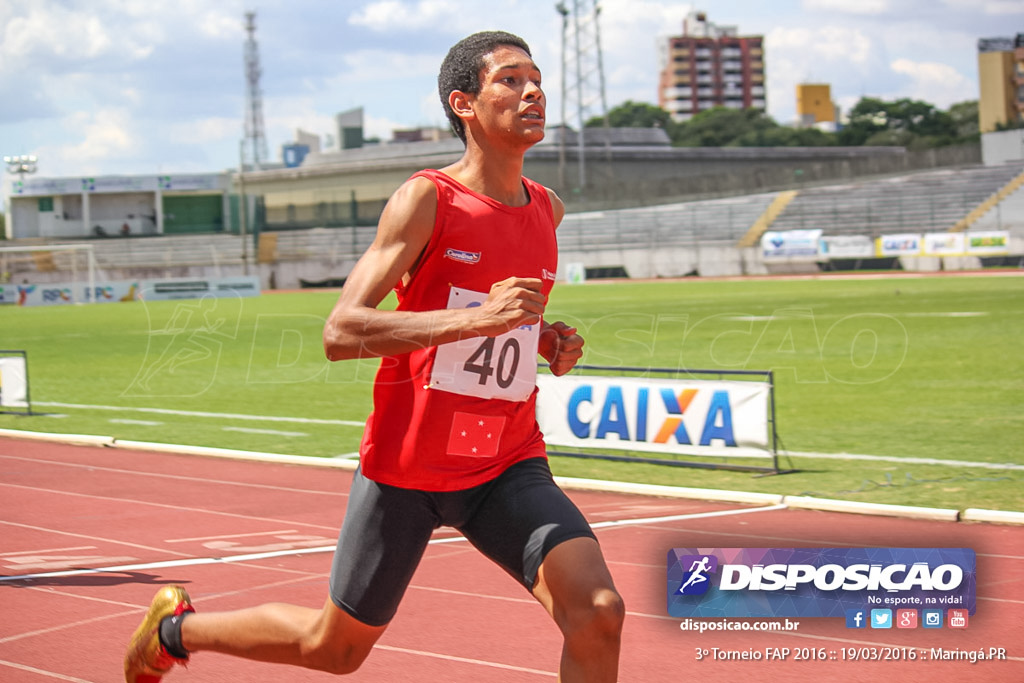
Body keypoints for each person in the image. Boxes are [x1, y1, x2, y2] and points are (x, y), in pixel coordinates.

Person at [124, 30, 624, 682]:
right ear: (463, 103)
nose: (533, 91)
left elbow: (505, 324)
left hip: (505, 462)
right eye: (510, 79)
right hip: (408, 469)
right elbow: (342, 330)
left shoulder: (546, 211)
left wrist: (545, 339)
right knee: (334, 650)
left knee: (599, 611)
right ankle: (172, 630)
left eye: (536, 78)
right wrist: (480, 318)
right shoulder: (427, 199)